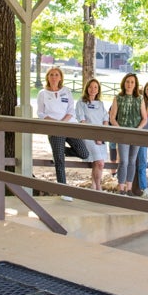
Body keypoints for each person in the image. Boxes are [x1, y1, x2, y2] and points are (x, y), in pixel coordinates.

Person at [37, 66, 89, 200]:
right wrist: (55, 122)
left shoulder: (66, 91)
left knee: (84, 153)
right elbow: (41, 113)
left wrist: (63, 122)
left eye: (56, 75)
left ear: (60, 77)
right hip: (54, 128)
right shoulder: (43, 93)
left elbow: (71, 110)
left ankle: (59, 151)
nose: (54, 77)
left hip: (68, 125)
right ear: (48, 77)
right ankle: (64, 190)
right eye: (51, 75)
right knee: (59, 161)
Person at [109, 73, 147, 196]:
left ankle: (129, 188)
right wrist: (120, 129)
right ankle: (121, 188)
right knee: (123, 161)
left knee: (132, 160)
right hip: (123, 134)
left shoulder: (140, 98)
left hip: (136, 134)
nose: (129, 84)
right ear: (124, 83)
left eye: (132, 82)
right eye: (127, 81)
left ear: (135, 84)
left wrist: (138, 129)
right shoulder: (118, 98)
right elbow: (112, 117)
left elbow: (144, 118)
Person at [75, 78, 108, 191]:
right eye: (90, 87)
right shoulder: (81, 103)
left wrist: (101, 135)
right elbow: (82, 120)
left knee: (98, 163)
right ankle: (99, 187)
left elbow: (105, 119)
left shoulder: (101, 104)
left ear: (98, 90)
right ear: (87, 88)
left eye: (95, 87)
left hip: (101, 136)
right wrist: (94, 136)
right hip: (88, 136)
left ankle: (93, 186)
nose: (93, 89)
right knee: (99, 162)